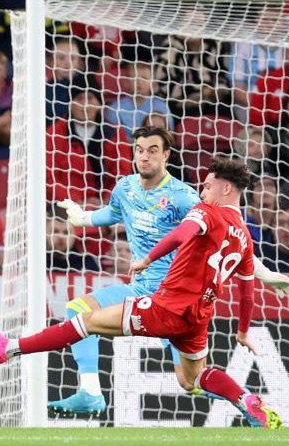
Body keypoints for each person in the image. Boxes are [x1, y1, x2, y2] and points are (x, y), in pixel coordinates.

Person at [0, 157, 284, 429]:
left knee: (85, 320)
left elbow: (182, 233)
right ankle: (245, 400)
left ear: (226, 190)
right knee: (192, 379)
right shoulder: (245, 237)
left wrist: (148, 259)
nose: (202, 192)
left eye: (207, 186)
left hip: (166, 307)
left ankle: (8, 348)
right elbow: (247, 292)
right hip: (198, 318)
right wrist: (243, 332)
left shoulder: (208, 212)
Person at [45, 126, 200, 414]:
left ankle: (246, 401)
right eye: (139, 150)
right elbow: (113, 213)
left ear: (166, 155)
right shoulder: (126, 188)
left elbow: (214, 234)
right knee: (77, 308)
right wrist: (83, 218)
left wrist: (258, 271)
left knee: (189, 382)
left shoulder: (183, 197)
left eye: (153, 150)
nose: (145, 156)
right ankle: (90, 391)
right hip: (140, 290)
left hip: (174, 298)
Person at [46, 81, 132, 202]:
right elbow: (49, 179)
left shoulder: (115, 134)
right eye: (79, 98)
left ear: (99, 104)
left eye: (90, 98)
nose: (85, 104)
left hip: (106, 207)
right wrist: (77, 202)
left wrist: (105, 201)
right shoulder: (53, 133)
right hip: (64, 208)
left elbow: (123, 175)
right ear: (70, 104)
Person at [105, 62, 173, 140]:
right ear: (126, 83)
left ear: (152, 84)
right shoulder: (115, 108)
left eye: (144, 78)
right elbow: (111, 137)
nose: (139, 82)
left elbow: (169, 136)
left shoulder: (162, 107)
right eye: (135, 78)